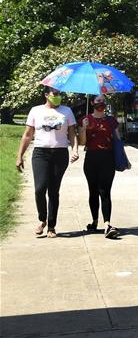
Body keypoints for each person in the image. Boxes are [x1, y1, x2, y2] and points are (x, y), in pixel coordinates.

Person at [15, 85, 80, 238]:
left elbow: (72, 133)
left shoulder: (67, 111)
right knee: (39, 189)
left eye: (59, 94)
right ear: (46, 95)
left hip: (60, 153)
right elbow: (27, 135)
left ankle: (51, 226)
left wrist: (75, 150)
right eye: (55, 93)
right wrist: (20, 156)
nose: (58, 96)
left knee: (53, 191)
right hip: (40, 153)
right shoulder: (36, 111)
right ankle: (42, 219)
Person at [79, 94, 121, 239]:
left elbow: (118, 140)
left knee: (105, 191)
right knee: (93, 192)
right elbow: (82, 143)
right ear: (92, 102)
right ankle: (95, 220)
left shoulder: (111, 120)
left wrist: (122, 156)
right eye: (98, 101)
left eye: (103, 101)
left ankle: (107, 224)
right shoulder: (86, 119)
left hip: (107, 158)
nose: (101, 103)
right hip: (91, 158)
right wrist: (83, 129)